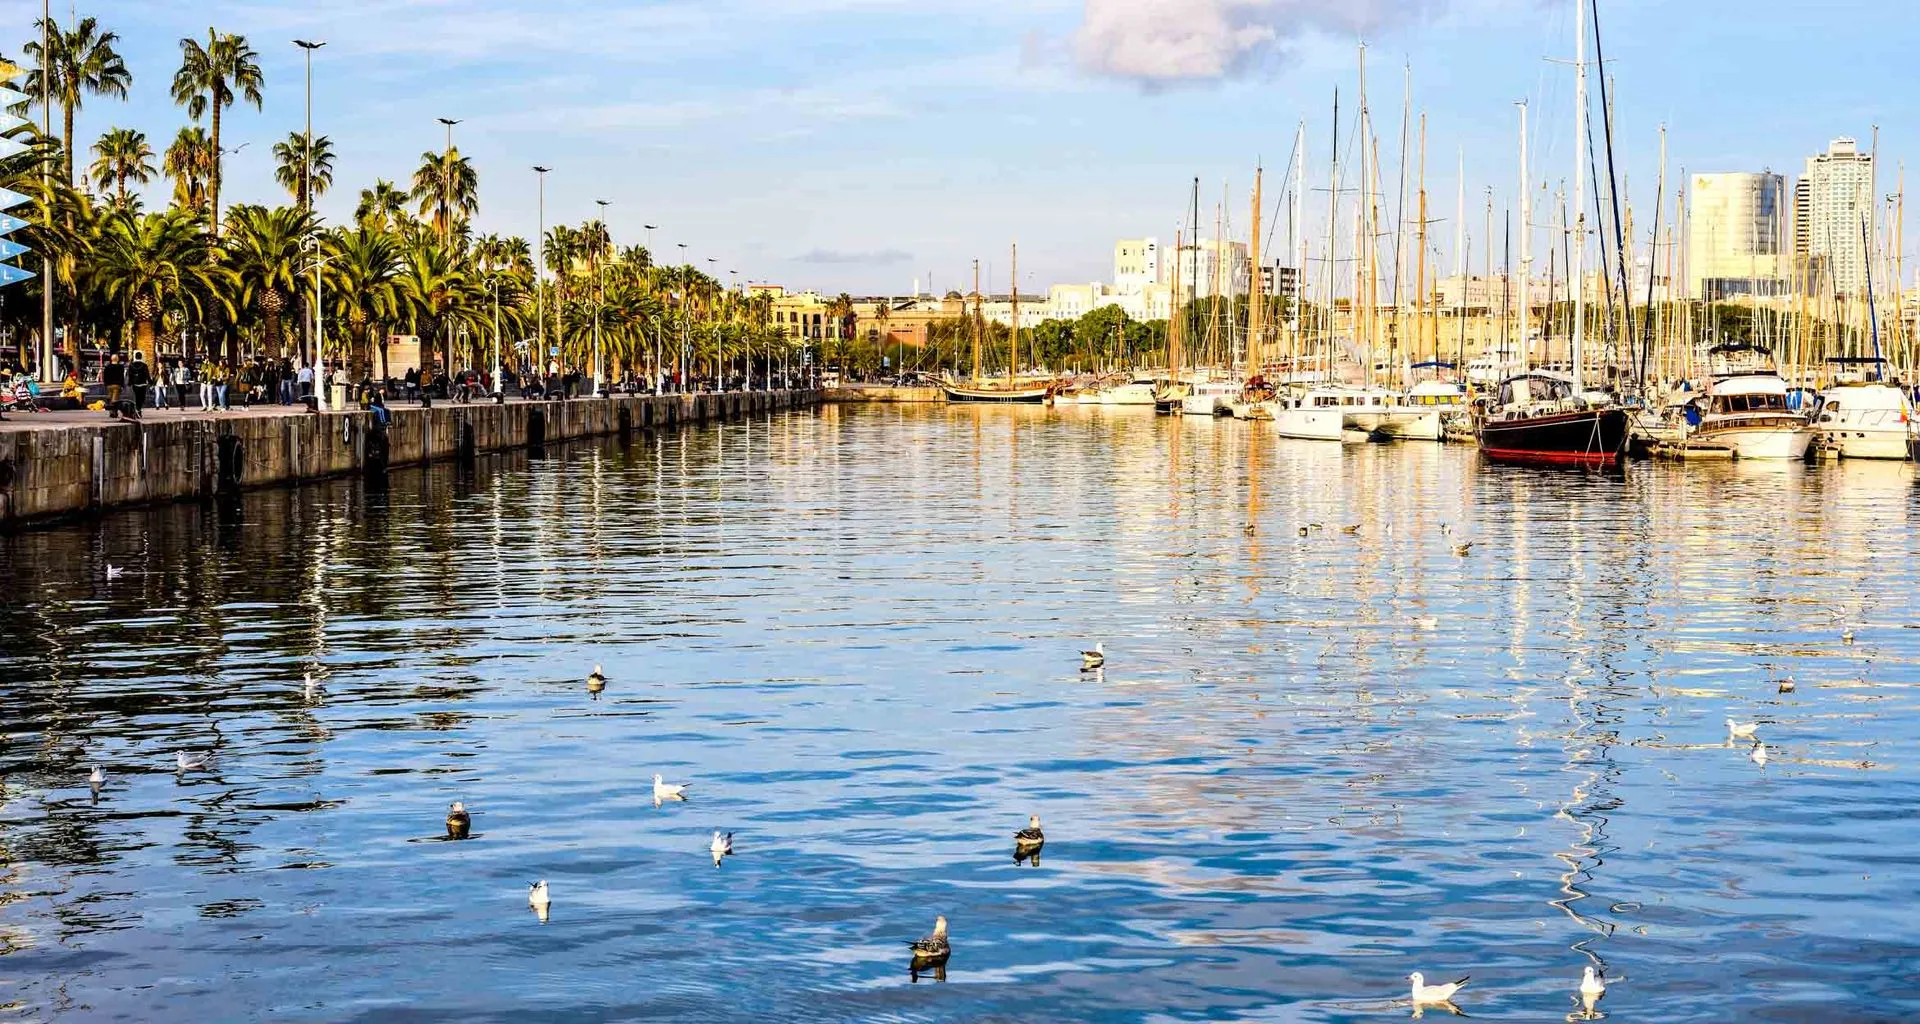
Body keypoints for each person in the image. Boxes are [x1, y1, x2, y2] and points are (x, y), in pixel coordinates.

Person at [125, 351, 153, 417]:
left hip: (135, 384)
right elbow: (147, 375)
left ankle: (137, 409)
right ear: (141, 357)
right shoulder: (144, 365)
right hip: (143, 384)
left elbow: (130, 375)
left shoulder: (131, 365)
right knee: (142, 398)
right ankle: (139, 409)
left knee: (136, 397)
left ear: (135, 357)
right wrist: (150, 382)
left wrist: (130, 382)